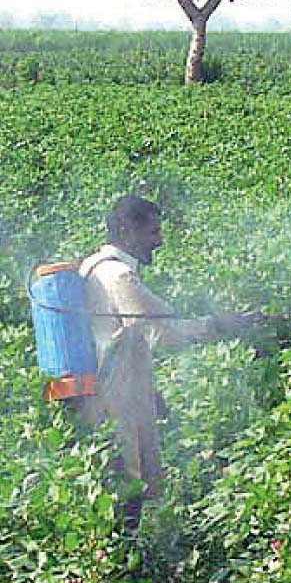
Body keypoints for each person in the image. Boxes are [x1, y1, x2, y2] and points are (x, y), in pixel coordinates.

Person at [76, 195, 263, 530]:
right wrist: (218, 325)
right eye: (152, 232)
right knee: (126, 490)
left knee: (121, 488)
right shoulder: (117, 276)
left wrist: (152, 392)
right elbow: (158, 334)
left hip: (112, 395)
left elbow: (127, 338)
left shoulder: (94, 269)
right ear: (124, 230)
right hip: (114, 402)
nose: (159, 241)